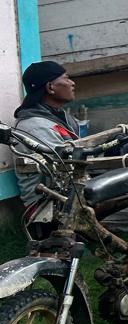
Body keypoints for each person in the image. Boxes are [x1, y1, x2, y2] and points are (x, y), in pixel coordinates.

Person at [11, 62, 79, 222]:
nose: (72, 83)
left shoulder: (61, 118)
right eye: (66, 78)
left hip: (67, 190)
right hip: (46, 207)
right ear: (50, 87)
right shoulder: (34, 126)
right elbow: (66, 168)